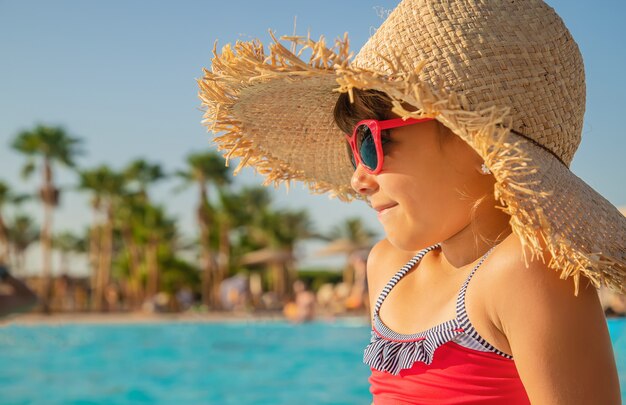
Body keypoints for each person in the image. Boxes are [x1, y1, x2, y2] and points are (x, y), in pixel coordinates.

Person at [198, 1, 625, 403]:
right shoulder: (386, 267)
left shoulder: (526, 273)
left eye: (370, 142)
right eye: (352, 150)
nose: (358, 179)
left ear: (474, 141)